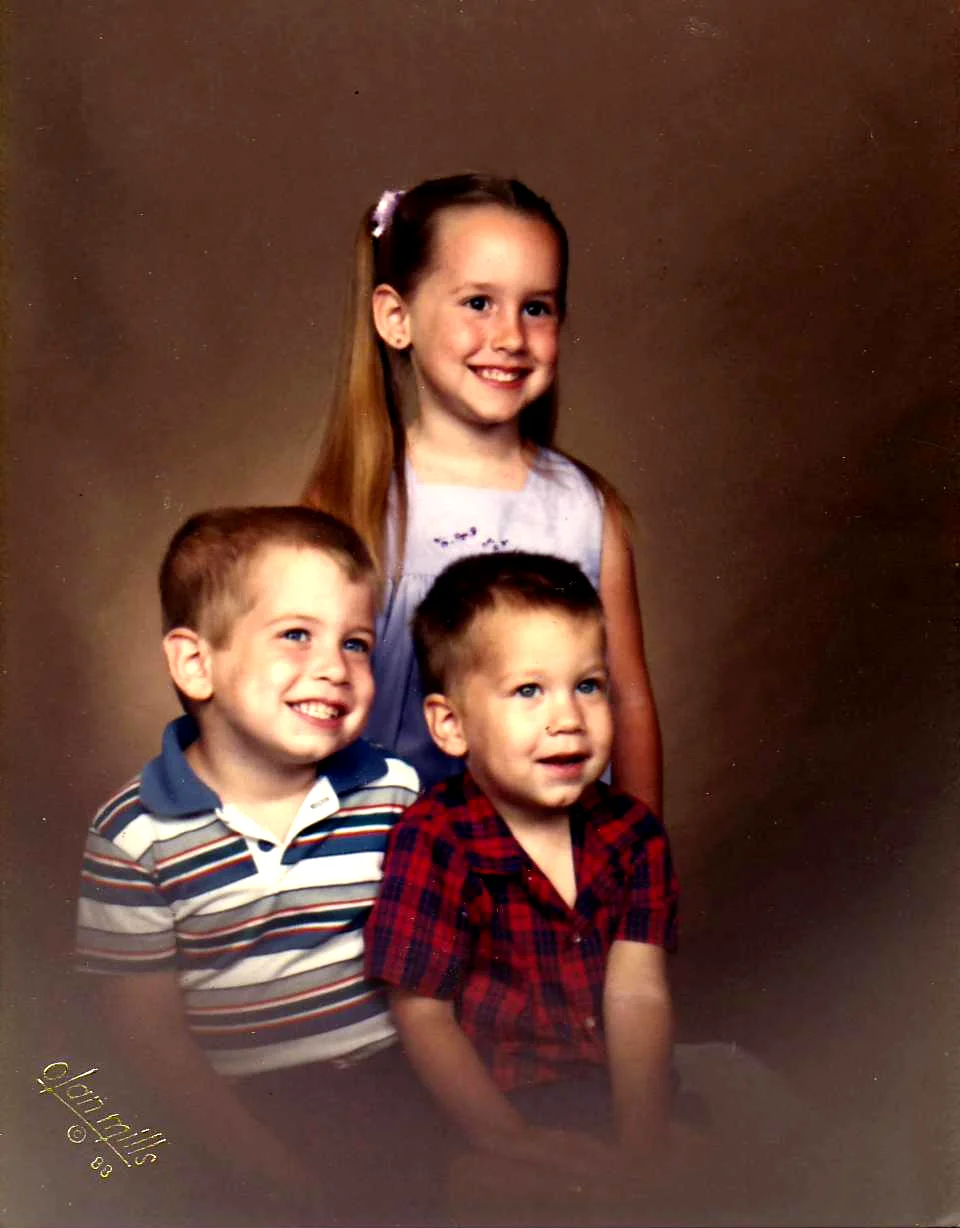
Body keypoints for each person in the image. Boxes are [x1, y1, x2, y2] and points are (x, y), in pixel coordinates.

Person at [75, 506, 436, 1226]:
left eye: (356, 643)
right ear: (196, 663)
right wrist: (254, 1156)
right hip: (241, 1109)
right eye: (297, 634)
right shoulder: (134, 834)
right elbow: (146, 1034)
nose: (334, 668)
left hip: (401, 1079)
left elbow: (441, 967)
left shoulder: (393, 794)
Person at [302, 173, 662, 811]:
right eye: (478, 303)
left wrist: (640, 848)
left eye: (536, 308)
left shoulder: (584, 511)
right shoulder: (350, 502)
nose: (511, 337)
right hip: (383, 847)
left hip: (549, 848)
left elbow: (628, 698)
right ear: (396, 318)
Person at [364, 552, 680, 1212]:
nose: (568, 718)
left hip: (617, 1083)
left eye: (588, 686)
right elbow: (422, 1013)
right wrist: (505, 1138)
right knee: (501, 1194)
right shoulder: (434, 838)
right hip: (491, 1100)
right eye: (529, 691)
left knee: (698, 1172)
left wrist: (643, 1137)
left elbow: (638, 990)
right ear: (451, 726)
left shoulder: (633, 833)